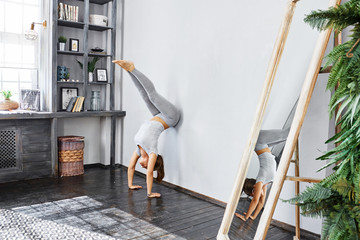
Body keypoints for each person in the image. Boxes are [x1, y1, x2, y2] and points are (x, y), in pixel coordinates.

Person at [113, 60, 181, 198]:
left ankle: (128, 70)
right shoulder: (152, 152)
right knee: (152, 96)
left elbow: (130, 167)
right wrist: (149, 193)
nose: (142, 166)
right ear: (153, 161)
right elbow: (150, 173)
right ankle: (133, 69)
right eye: (145, 166)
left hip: (157, 115)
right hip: (171, 117)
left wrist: (130, 185)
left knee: (143, 95)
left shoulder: (139, 149)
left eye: (144, 167)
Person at [236, 128, 289, 221]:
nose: (258, 194)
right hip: (264, 146)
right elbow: (261, 202)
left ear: (254, 187)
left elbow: (255, 200)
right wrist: (253, 216)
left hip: (259, 141)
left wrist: (245, 217)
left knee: (286, 133)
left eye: (254, 193)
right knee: (288, 137)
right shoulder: (265, 184)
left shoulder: (261, 179)